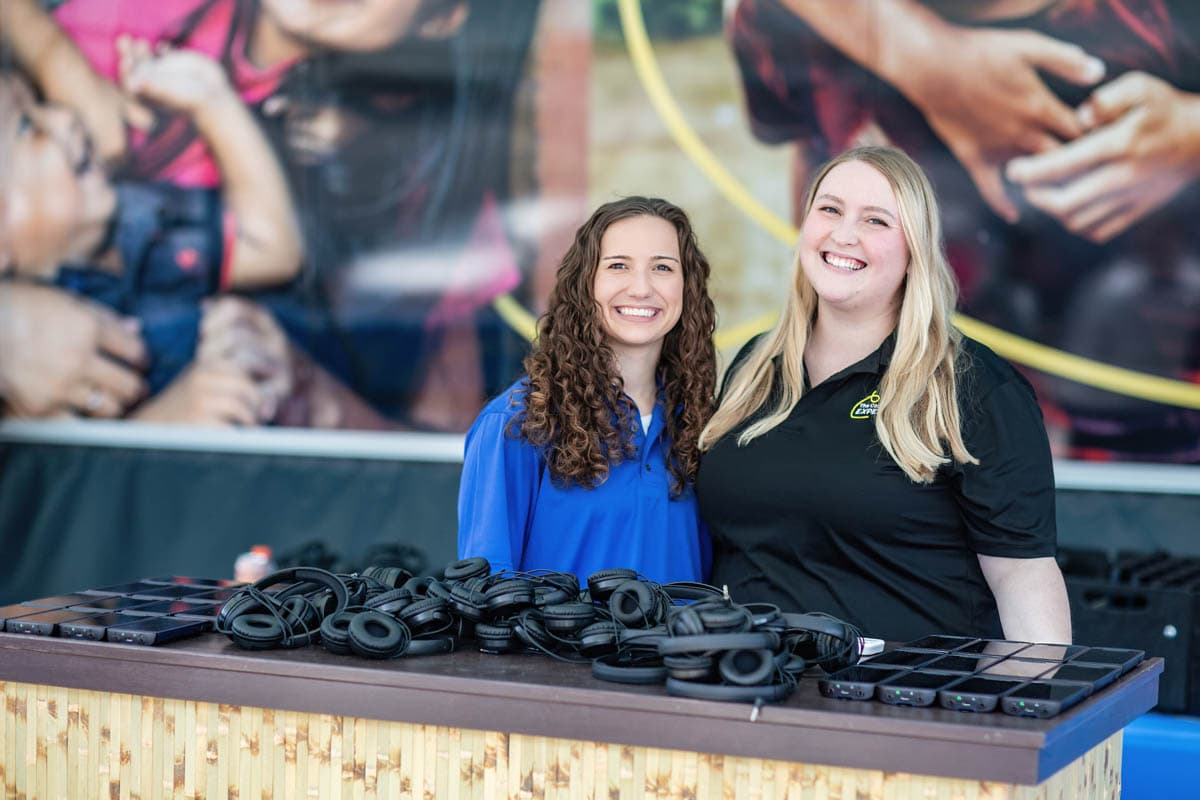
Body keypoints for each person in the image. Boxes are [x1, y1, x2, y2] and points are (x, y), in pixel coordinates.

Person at [728, 0, 1200, 462]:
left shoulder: (1154, 19)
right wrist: (924, 56)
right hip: (915, 424)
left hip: (1152, 418)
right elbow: (810, 151)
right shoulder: (784, 25)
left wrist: (1188, 134)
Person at [696, 146, 1072, 643]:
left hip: (902, 701)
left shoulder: (976, 388)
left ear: (915, 249)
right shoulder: (754, 368)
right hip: (751, 687)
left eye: (876, 220)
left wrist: (1029, 710)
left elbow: (1022, 577)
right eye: (829, 209)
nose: (844, 234)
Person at [457, 197, 717, 583]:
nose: (642, 288)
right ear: (585, 283)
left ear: (687, 286)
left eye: (662, 267)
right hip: (558, 646)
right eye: (618, 266)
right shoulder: (516, 423)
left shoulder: (702, 426)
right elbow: (485, 592)